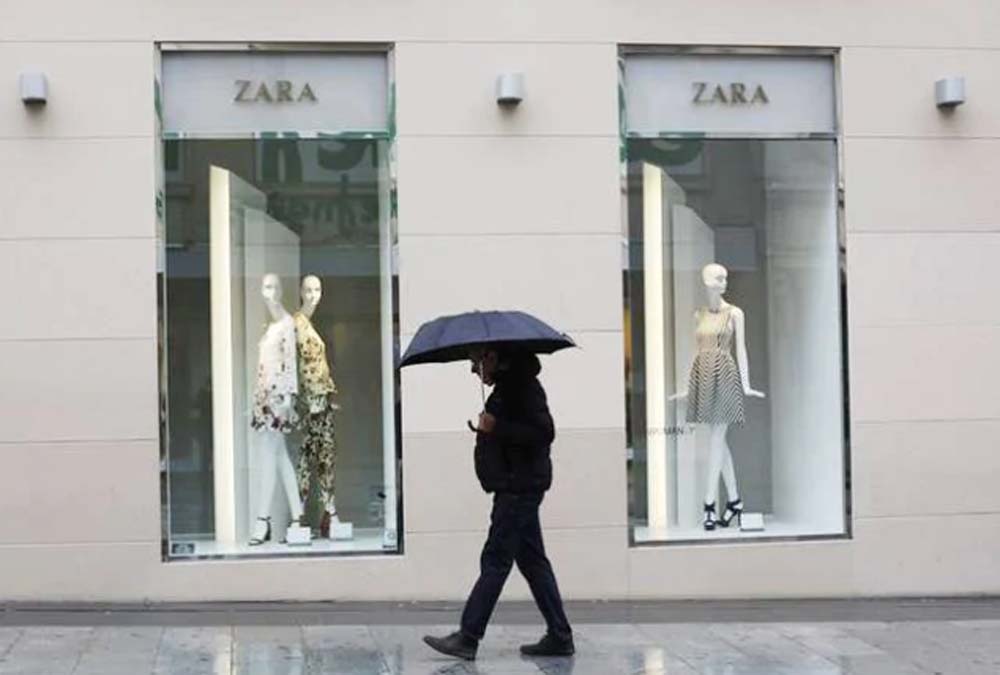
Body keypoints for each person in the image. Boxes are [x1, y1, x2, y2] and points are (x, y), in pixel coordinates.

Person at [423, 348, 574, 662]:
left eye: (475, 362)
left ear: (491, 357)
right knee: (532, 561)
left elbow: (544, 432)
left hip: (518, 489)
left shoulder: (523, 387)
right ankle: (560, 636)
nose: (473, 370)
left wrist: (497, 429)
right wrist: (490, 431)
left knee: (496, 559)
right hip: (516, 486)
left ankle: (468, 636)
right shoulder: (509, 387)